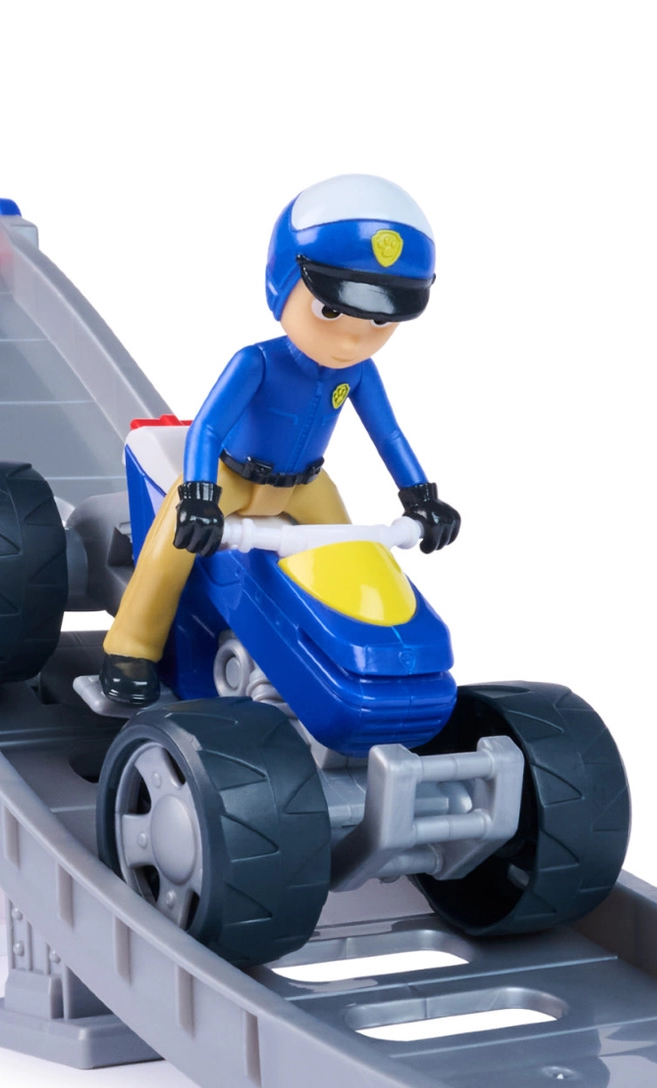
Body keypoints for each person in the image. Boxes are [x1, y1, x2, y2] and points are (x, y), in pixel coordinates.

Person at [99, 174, 461, 705]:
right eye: (331, 309)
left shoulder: (358, 373)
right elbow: (208, 428)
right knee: (169, 546)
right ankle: (130, 647)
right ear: (282, 284)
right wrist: (199, 495)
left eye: (380, 319)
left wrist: (421, 497)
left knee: (349, 552)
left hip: (306, 486)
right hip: (230, 477)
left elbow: (388, 435)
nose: (353, 337)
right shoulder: (257, 362)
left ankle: (349, 660)